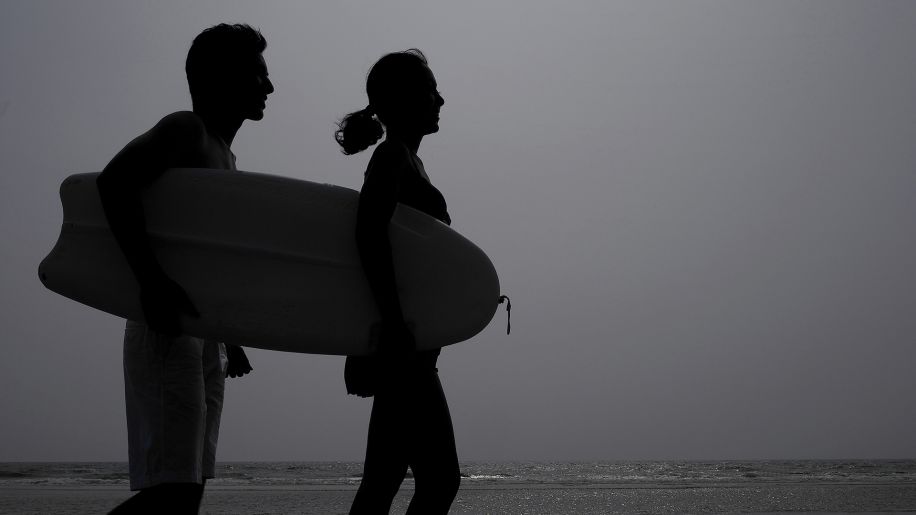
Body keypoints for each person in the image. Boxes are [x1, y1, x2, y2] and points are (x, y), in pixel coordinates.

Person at [97, 23, 273, 514]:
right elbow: (114, 183)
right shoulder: (186, 130)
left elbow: (202, 256)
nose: (270, 87)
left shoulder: (225, 154)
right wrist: (150, 282)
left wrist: (227, 336)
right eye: (259, 75)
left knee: (188, 489)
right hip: (165, 326)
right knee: (171, 492)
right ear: (224, 77)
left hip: (202, 334)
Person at [335, 49, 460, 514]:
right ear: (405, 100)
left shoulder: (408, 160)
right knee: (439, 480)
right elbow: (368, 235)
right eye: (431, 90)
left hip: (410, 346)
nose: (441, 99)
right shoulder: (392, 156)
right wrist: (391, 325)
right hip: (404, 349)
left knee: (383, 481)